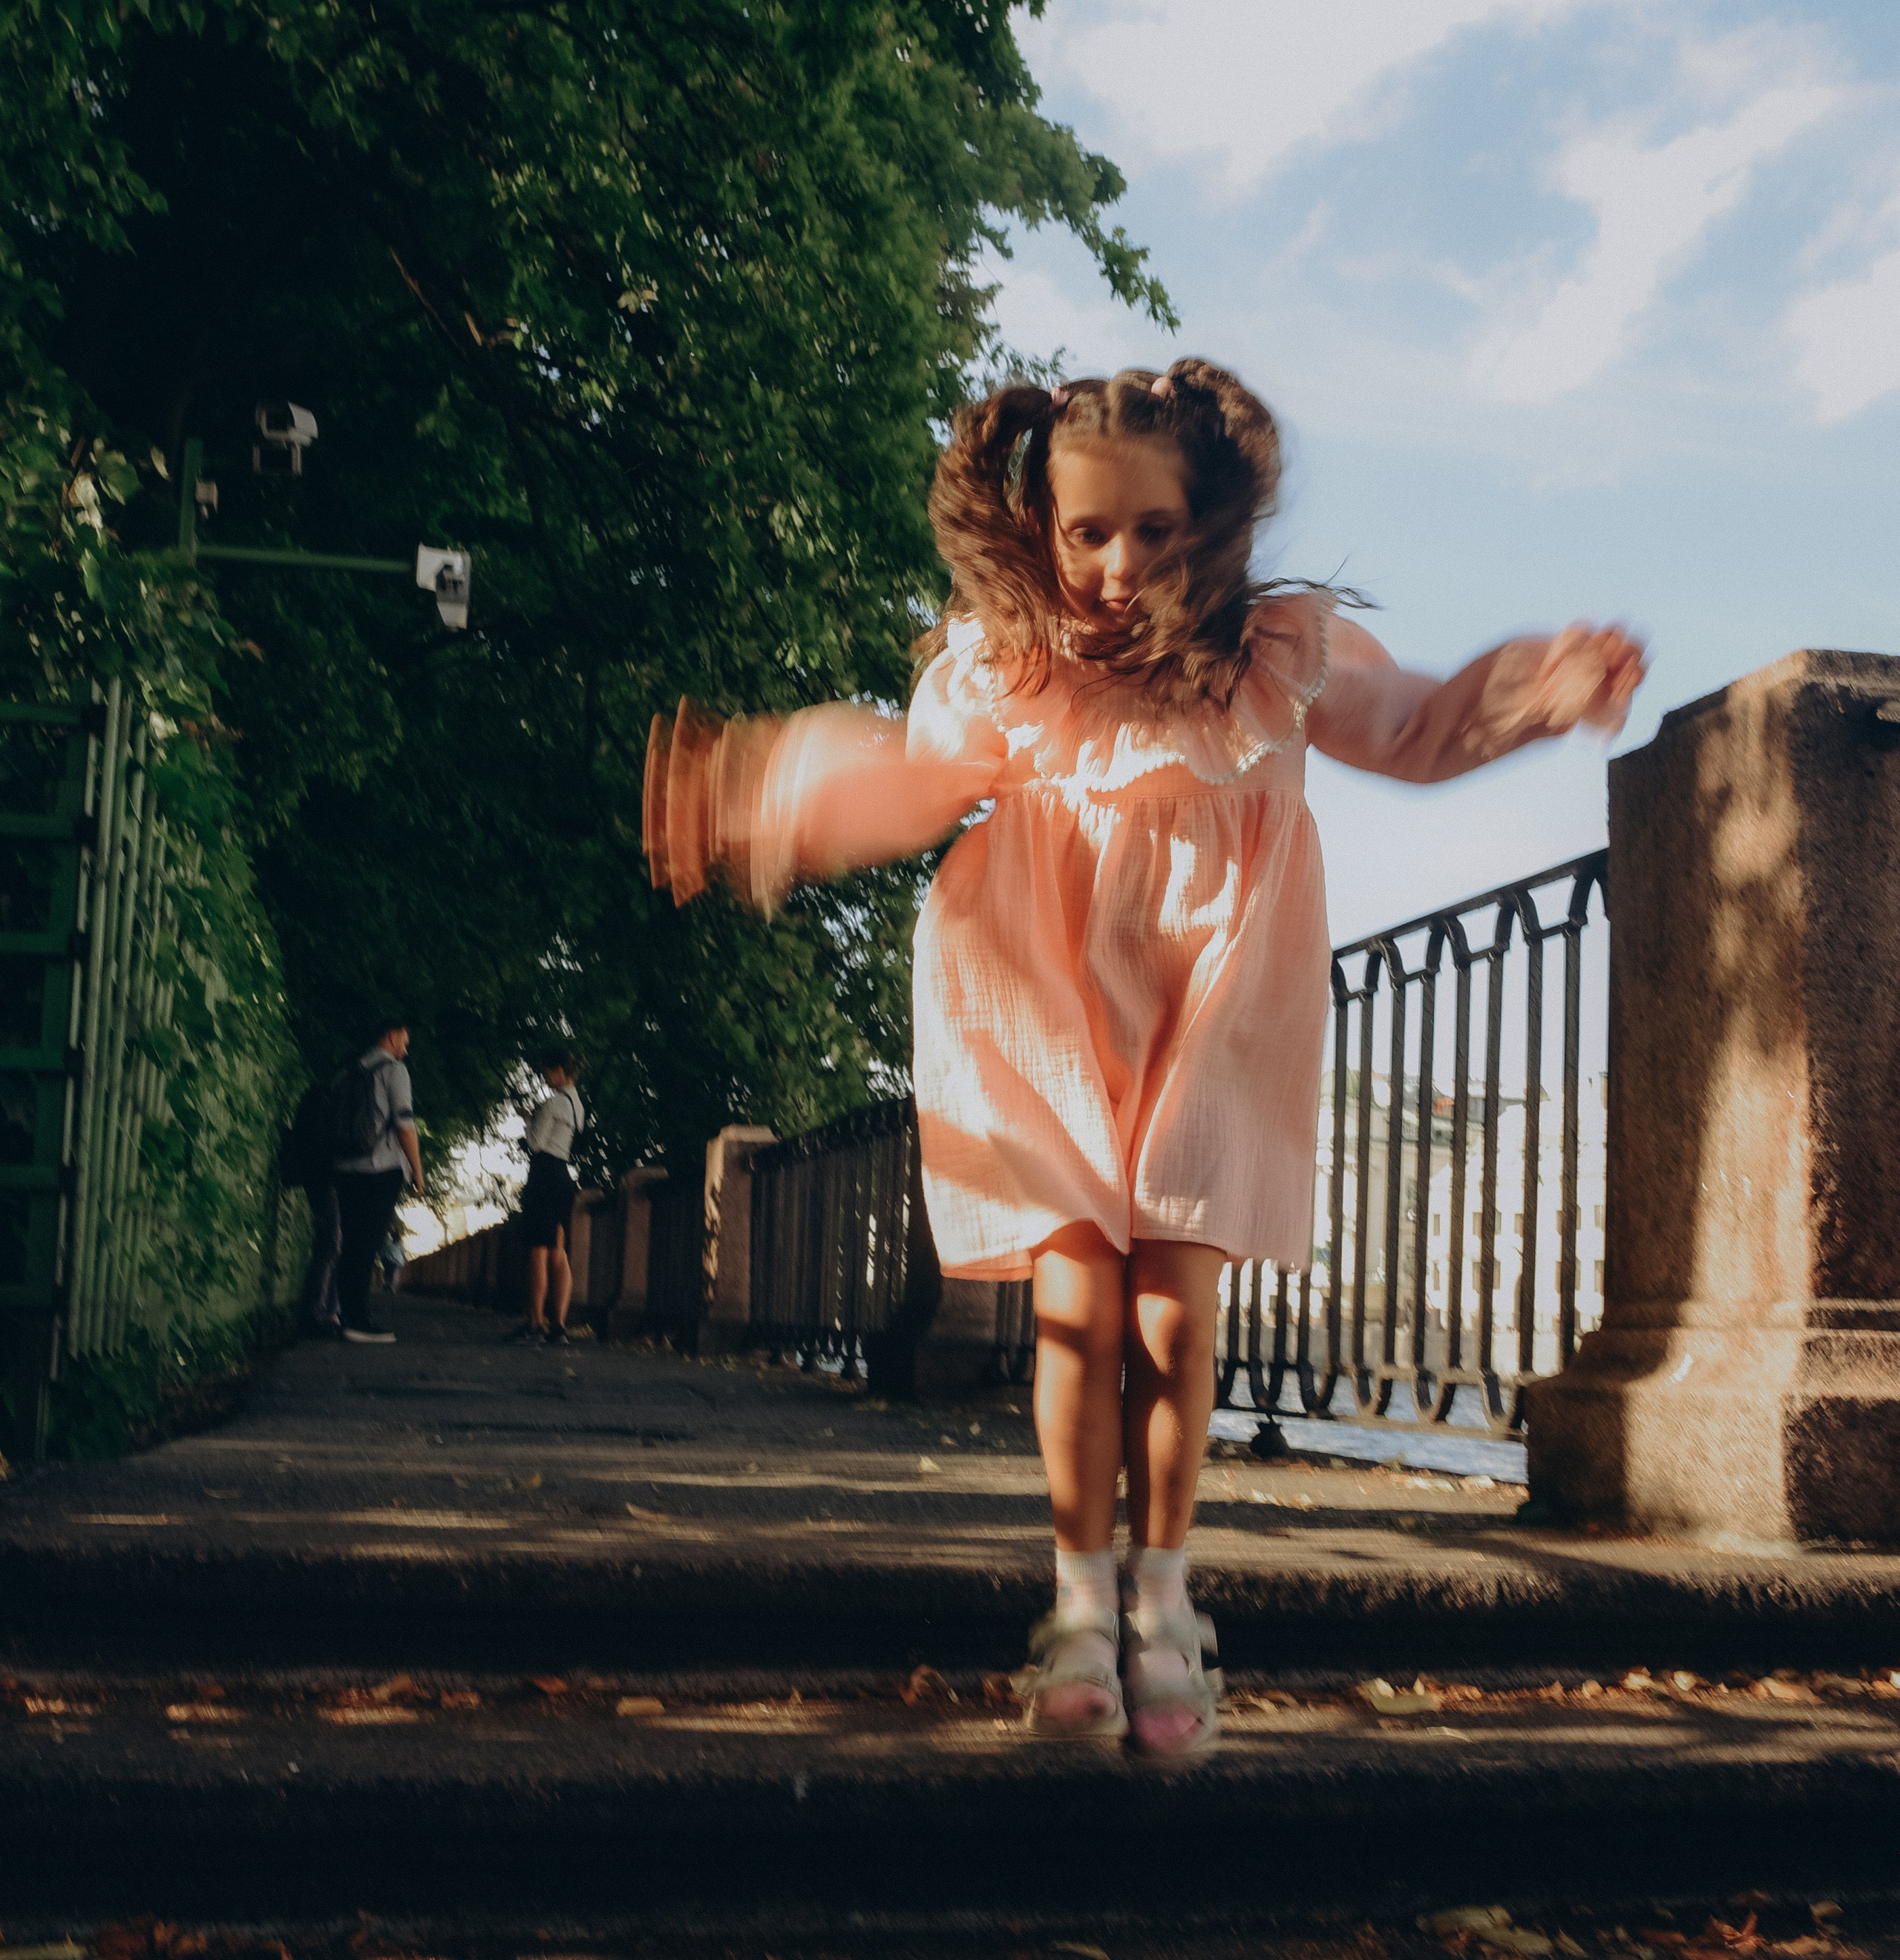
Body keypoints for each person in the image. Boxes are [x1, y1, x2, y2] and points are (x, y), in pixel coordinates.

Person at [644, 363, 1645, 1762]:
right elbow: (909, 781)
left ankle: (1165, 1601)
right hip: (1042, 992)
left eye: (1152, 533)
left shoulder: (1278, 650)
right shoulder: (1011, 663)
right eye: (1085, 533)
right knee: (1078, 1303)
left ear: (1209, 522)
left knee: (1173, 1312)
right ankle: (1075, 1603)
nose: (1116, 568)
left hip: (1212, 1002)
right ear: (1041, 528)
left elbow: (1414, 727)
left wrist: (1538, 687)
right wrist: (766, 800)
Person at [332, 1022, 425, 1346]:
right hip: (379, 1168)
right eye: (405, 1040)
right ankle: (356, 1321)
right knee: (366, 1243)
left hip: (343, 1165)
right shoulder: (394, 1070)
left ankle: (345, 1316)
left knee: (351, 1242)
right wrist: (417, 1172)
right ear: (391, 1034)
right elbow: (404, 1124)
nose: (406, 1048)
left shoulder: (350, 1068)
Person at [517, 1049, 586, 1343]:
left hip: (543, 1177)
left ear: (560, 1070)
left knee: (538, 1250)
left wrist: (527, 1121)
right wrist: (537, 1116)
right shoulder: (576, 1104)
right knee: (559, 1253)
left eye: (548, 1071)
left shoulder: (553, 1102)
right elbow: (561, 1133)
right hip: (563, 1178)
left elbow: (535, 1143)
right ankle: (558, 1325)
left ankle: (535, 1323)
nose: (545, 1077)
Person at [280, 1074, 342, 1337]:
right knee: (331, 1241)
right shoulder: (326, 1100)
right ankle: (315, 1314)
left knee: (333, 1242)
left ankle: (326, 1312)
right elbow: (321, 1146)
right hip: (324, 1177)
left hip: (321, 1176)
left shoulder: (321, 1097)